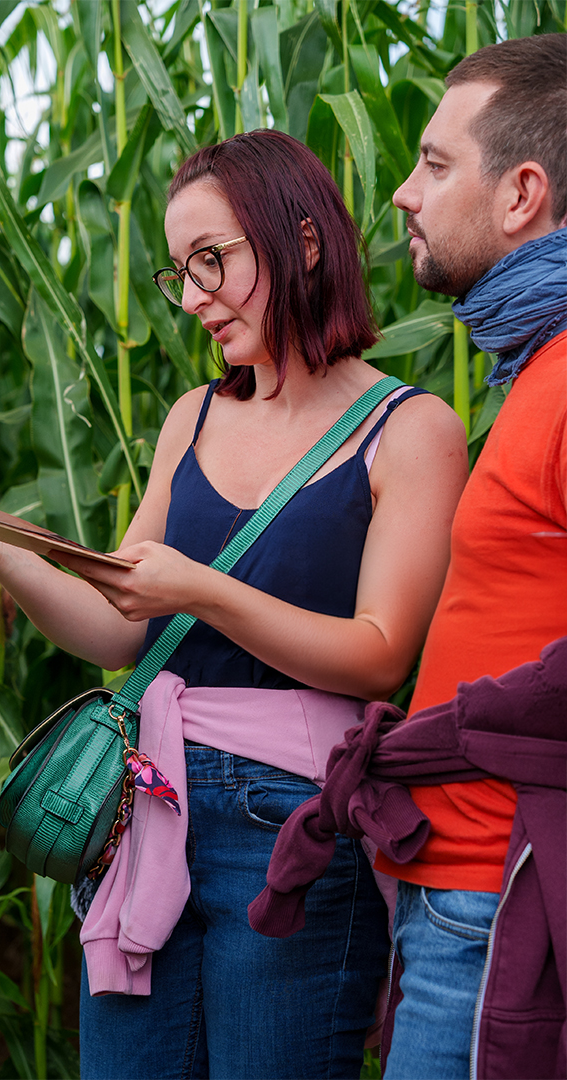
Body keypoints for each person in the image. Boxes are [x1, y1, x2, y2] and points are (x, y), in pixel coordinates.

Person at [0, 130, 467, 1079]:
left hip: (294, 822)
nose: (191, 299)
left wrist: (199, 587)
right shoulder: (193, 415)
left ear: (304, 242)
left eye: (211, 261)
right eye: (179, 273)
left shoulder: (412, 429)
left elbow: (380, 654)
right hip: (147, 805)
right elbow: (123, 630)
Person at [365, 33, 567, 1080]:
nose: (405, 192)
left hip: (496, 903)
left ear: (523, 192)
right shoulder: (537, 370)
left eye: (436, 164)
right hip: (456, 896)